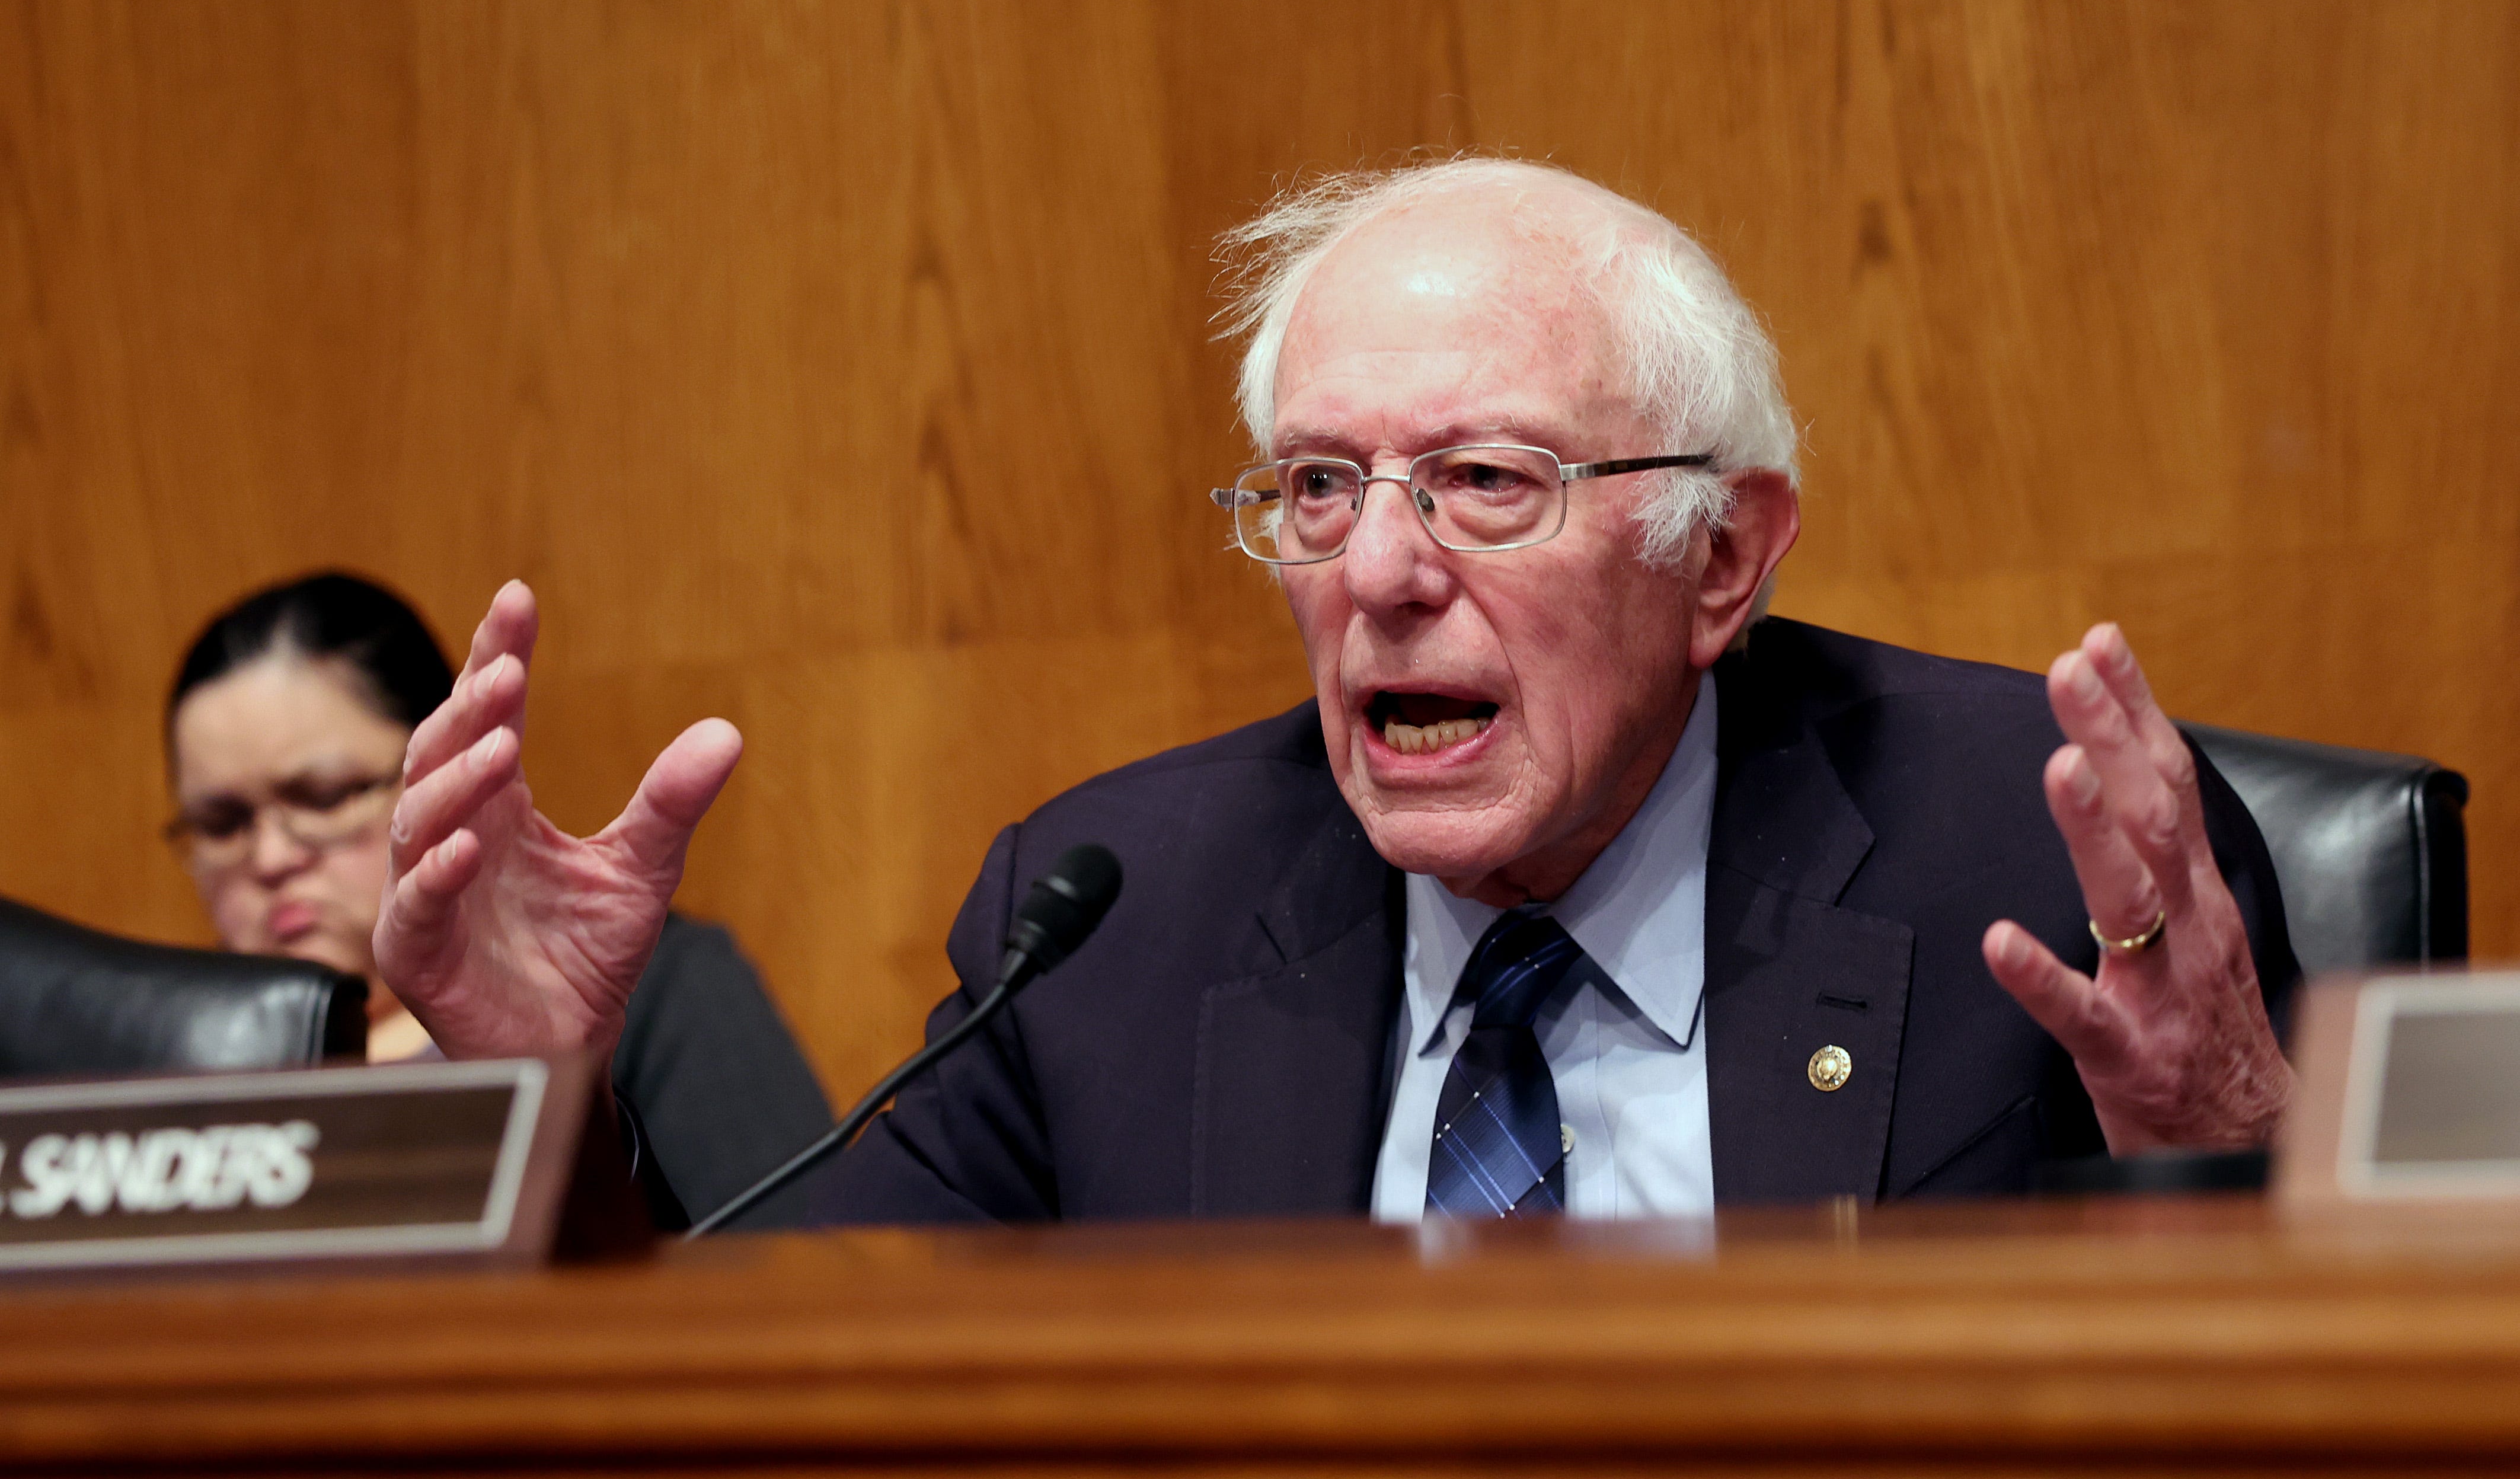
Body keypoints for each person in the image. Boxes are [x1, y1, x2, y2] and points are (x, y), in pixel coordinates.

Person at [369, 159, 2298, 1225]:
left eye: (1483, 481)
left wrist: (2224, 1147)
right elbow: (802, 1420)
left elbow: (2279, 1449)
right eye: (1317, 487)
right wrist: (543, 1104)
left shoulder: (2026, 849)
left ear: (1721, 558)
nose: (1376, 572)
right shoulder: (1119, 918)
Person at [162, 572, 833, 1224]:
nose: (272, 858)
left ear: (439, 771)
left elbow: (791, 1277)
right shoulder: (173, 1056)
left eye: (326, 796)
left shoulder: (637, 987)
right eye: (221, 824)